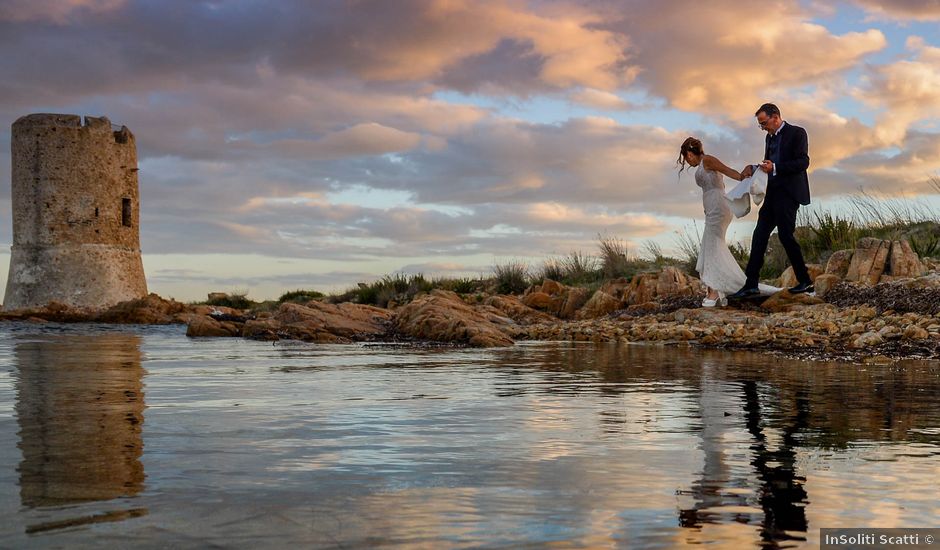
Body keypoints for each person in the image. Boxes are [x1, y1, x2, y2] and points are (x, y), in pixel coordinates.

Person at [677, 137, 779, 307]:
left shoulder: (708, 160)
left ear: (689, 153)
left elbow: (726, 170)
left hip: (719, 207)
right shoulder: (702, 164)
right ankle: (714, 289)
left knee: (711, 246)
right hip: (711, 208)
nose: (687, 162)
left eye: (686, 158)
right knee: (711, 247)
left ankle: (714, 292)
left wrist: (742, 177)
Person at [729, 103, 813, 299]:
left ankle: (805, 281)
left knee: (785, 236)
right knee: (759, 235)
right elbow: (769, 163)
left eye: (764, 123)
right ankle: (751, 284)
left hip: (789, 193)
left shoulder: (797, 133)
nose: (763, 128)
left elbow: (803, 162)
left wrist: (775, 168)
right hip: (773, 194)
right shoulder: (769, 137)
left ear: (775, 117)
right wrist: (754, 166)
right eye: (760, 124)